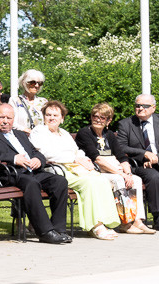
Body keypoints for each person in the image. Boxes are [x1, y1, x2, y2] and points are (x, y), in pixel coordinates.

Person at [0, 103, 71, 244]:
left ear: (13, 120)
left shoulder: (20, 135)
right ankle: (45, 232)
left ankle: (59, 229)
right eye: (2, 117)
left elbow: (36, 152)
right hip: (7, 175)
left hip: (31, 172)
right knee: (31, 184)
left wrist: (38, 160)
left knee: (59, 181)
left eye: (9, 118)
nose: (5, 121)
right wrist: (13, 159)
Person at [29, 101, 122, 240]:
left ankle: (104, 222)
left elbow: (77, 150)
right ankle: (95, 226)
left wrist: (84, 159)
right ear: (44, 117)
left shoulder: (64, 133)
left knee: (101, 179)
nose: (52, 118)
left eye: (55, 115)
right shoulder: (39, 131)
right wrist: (74, 159)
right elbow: (46, 154)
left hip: (74, 168)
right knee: (89, 183)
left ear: (62, 118)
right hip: (55, 169)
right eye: (48, 115)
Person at [76, 102, 153, 235]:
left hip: (113, 170)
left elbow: (121, 157)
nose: (98, 120)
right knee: (118, 180)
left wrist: (128, 174)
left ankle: (137, 220)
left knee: (136, 180)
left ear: (108, 121)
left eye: (102, 117)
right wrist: (121, 174)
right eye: (95, 116)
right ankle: (125, 223)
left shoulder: (109, 134)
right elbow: (97, 159)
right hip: (95, 171)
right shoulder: (84, 133)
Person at [114, 93, 159, 232]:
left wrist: (157, 158)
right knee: (154, 177)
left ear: (153, 108)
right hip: (138, 164)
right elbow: (121, 146)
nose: (141, 108)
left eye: (145, 106)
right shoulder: (126, 124)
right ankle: (157, 217)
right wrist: (144, 154)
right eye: (138, 105)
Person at [8, 69, 46, 134]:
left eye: (39, 83)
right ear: (24, 83)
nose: (36, 86)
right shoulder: (15, 101)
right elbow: (11, 122)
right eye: (33, 83)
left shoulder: (43, 102)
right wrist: (28, 131)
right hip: (22, 137)